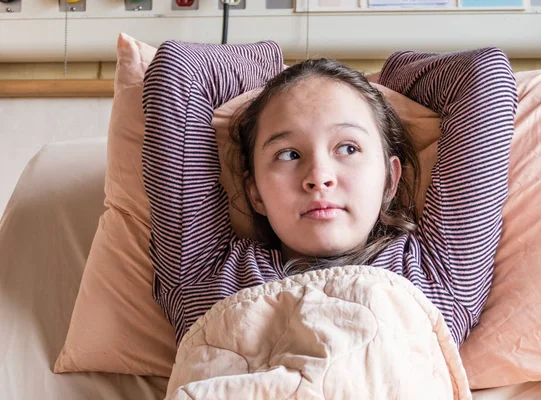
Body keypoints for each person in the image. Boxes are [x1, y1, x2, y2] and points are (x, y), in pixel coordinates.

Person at [141, 41, 518, 348]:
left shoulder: (439, 275)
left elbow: (483, 75)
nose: (318, 178)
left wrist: (388, 76)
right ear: (254, 192)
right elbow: (179, 71)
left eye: (348, 149)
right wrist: (279, 70)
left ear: (390, 179)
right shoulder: (204, 274)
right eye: (289, 154)